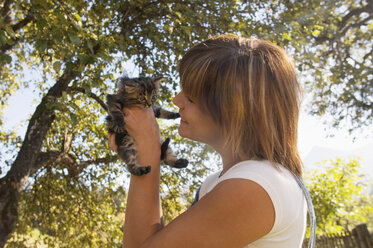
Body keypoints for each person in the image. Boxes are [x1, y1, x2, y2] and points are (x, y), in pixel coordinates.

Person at [109, 34, 307, 247]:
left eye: (191, 96)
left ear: (233, 112)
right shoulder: (220, 182)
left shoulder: (256, 184)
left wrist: (147, 147)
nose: (177, 100)